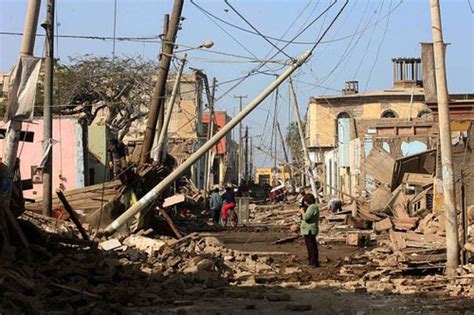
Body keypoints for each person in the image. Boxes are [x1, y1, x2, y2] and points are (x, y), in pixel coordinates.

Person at [299, 193, 320, 268]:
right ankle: (311, 262)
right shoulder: (311, 207)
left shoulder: (312, 207)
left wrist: (302, 212)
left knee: (311, 247)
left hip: (310, 230)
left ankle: (313, 262)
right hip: (308, 230)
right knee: (310, 247)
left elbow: (306, 217)